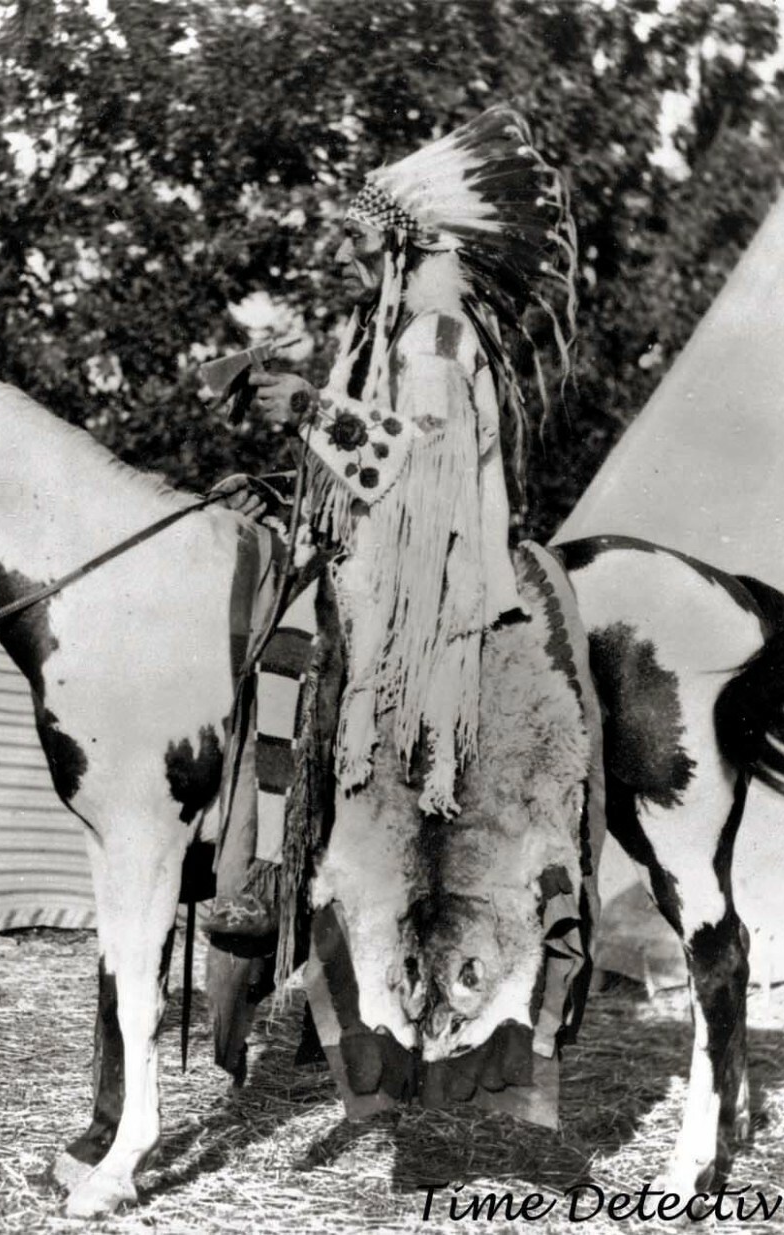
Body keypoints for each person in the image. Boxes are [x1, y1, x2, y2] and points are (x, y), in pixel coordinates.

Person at [206, 106, 576, 949]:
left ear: (406, 246)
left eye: (359, 240)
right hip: (386, 545)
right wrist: (284, 475)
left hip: (429, 574)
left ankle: (272, 870)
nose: (343, 254)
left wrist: (306, 407)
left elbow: (420, 474)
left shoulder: (435, 337)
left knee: (287, 646)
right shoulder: (397, 333)